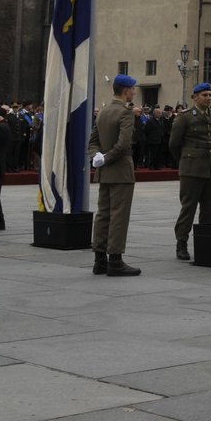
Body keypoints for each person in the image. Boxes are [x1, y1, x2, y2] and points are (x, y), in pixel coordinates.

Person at [89, 74, 141, 277]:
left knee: (103, 215)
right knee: (119, 216)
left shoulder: (102, 112)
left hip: (104, 171)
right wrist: (108, 157)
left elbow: (92, 141)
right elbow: (124, 144)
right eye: (133, 89)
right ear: (126, 90)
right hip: (120, 170)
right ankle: (115, 261)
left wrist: (97, 157)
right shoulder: (125, 113)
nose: (134, 92)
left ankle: (99, 260)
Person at [168, 82, 211, 261]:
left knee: (209, 210)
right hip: (192, 169)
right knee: (188, 208)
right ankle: (181, 242)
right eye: (204, 95)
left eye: (210, 95)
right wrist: (186, 160)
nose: (208, 98)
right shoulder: (184, 117)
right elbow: (174, 144)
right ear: (194, 97)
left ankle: (205, 243)